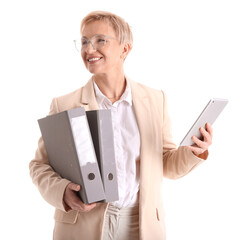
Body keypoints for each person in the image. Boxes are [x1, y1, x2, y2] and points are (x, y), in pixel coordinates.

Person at [29, 11, 213, 240]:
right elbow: (39, 166)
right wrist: (62, 192)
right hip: (83, 226)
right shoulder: (64, 104)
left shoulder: (155, 100)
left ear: (125, 49)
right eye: (84, 41)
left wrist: (194, 151)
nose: (89, 49)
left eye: (100, 40)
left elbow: (166, 162)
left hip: (140, 225)